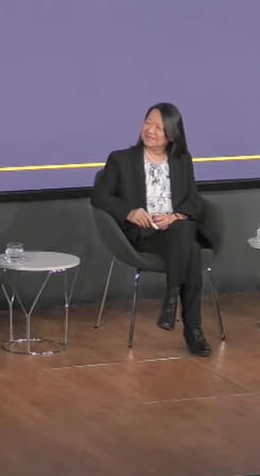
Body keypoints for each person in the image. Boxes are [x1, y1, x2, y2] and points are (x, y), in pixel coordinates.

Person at [91, 103, 212, 356]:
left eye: (159, 127)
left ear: (172, 134)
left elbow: (194, 200)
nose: (151, 130)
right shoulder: (121, 159)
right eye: (148, 122)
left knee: (183, 232)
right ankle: (193, 330)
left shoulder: (182, 160)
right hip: (144, 234)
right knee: (189, 245)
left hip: (174, 231)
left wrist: (176, 215)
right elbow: (100, 196)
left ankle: (172, 298)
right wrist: (130, 212)